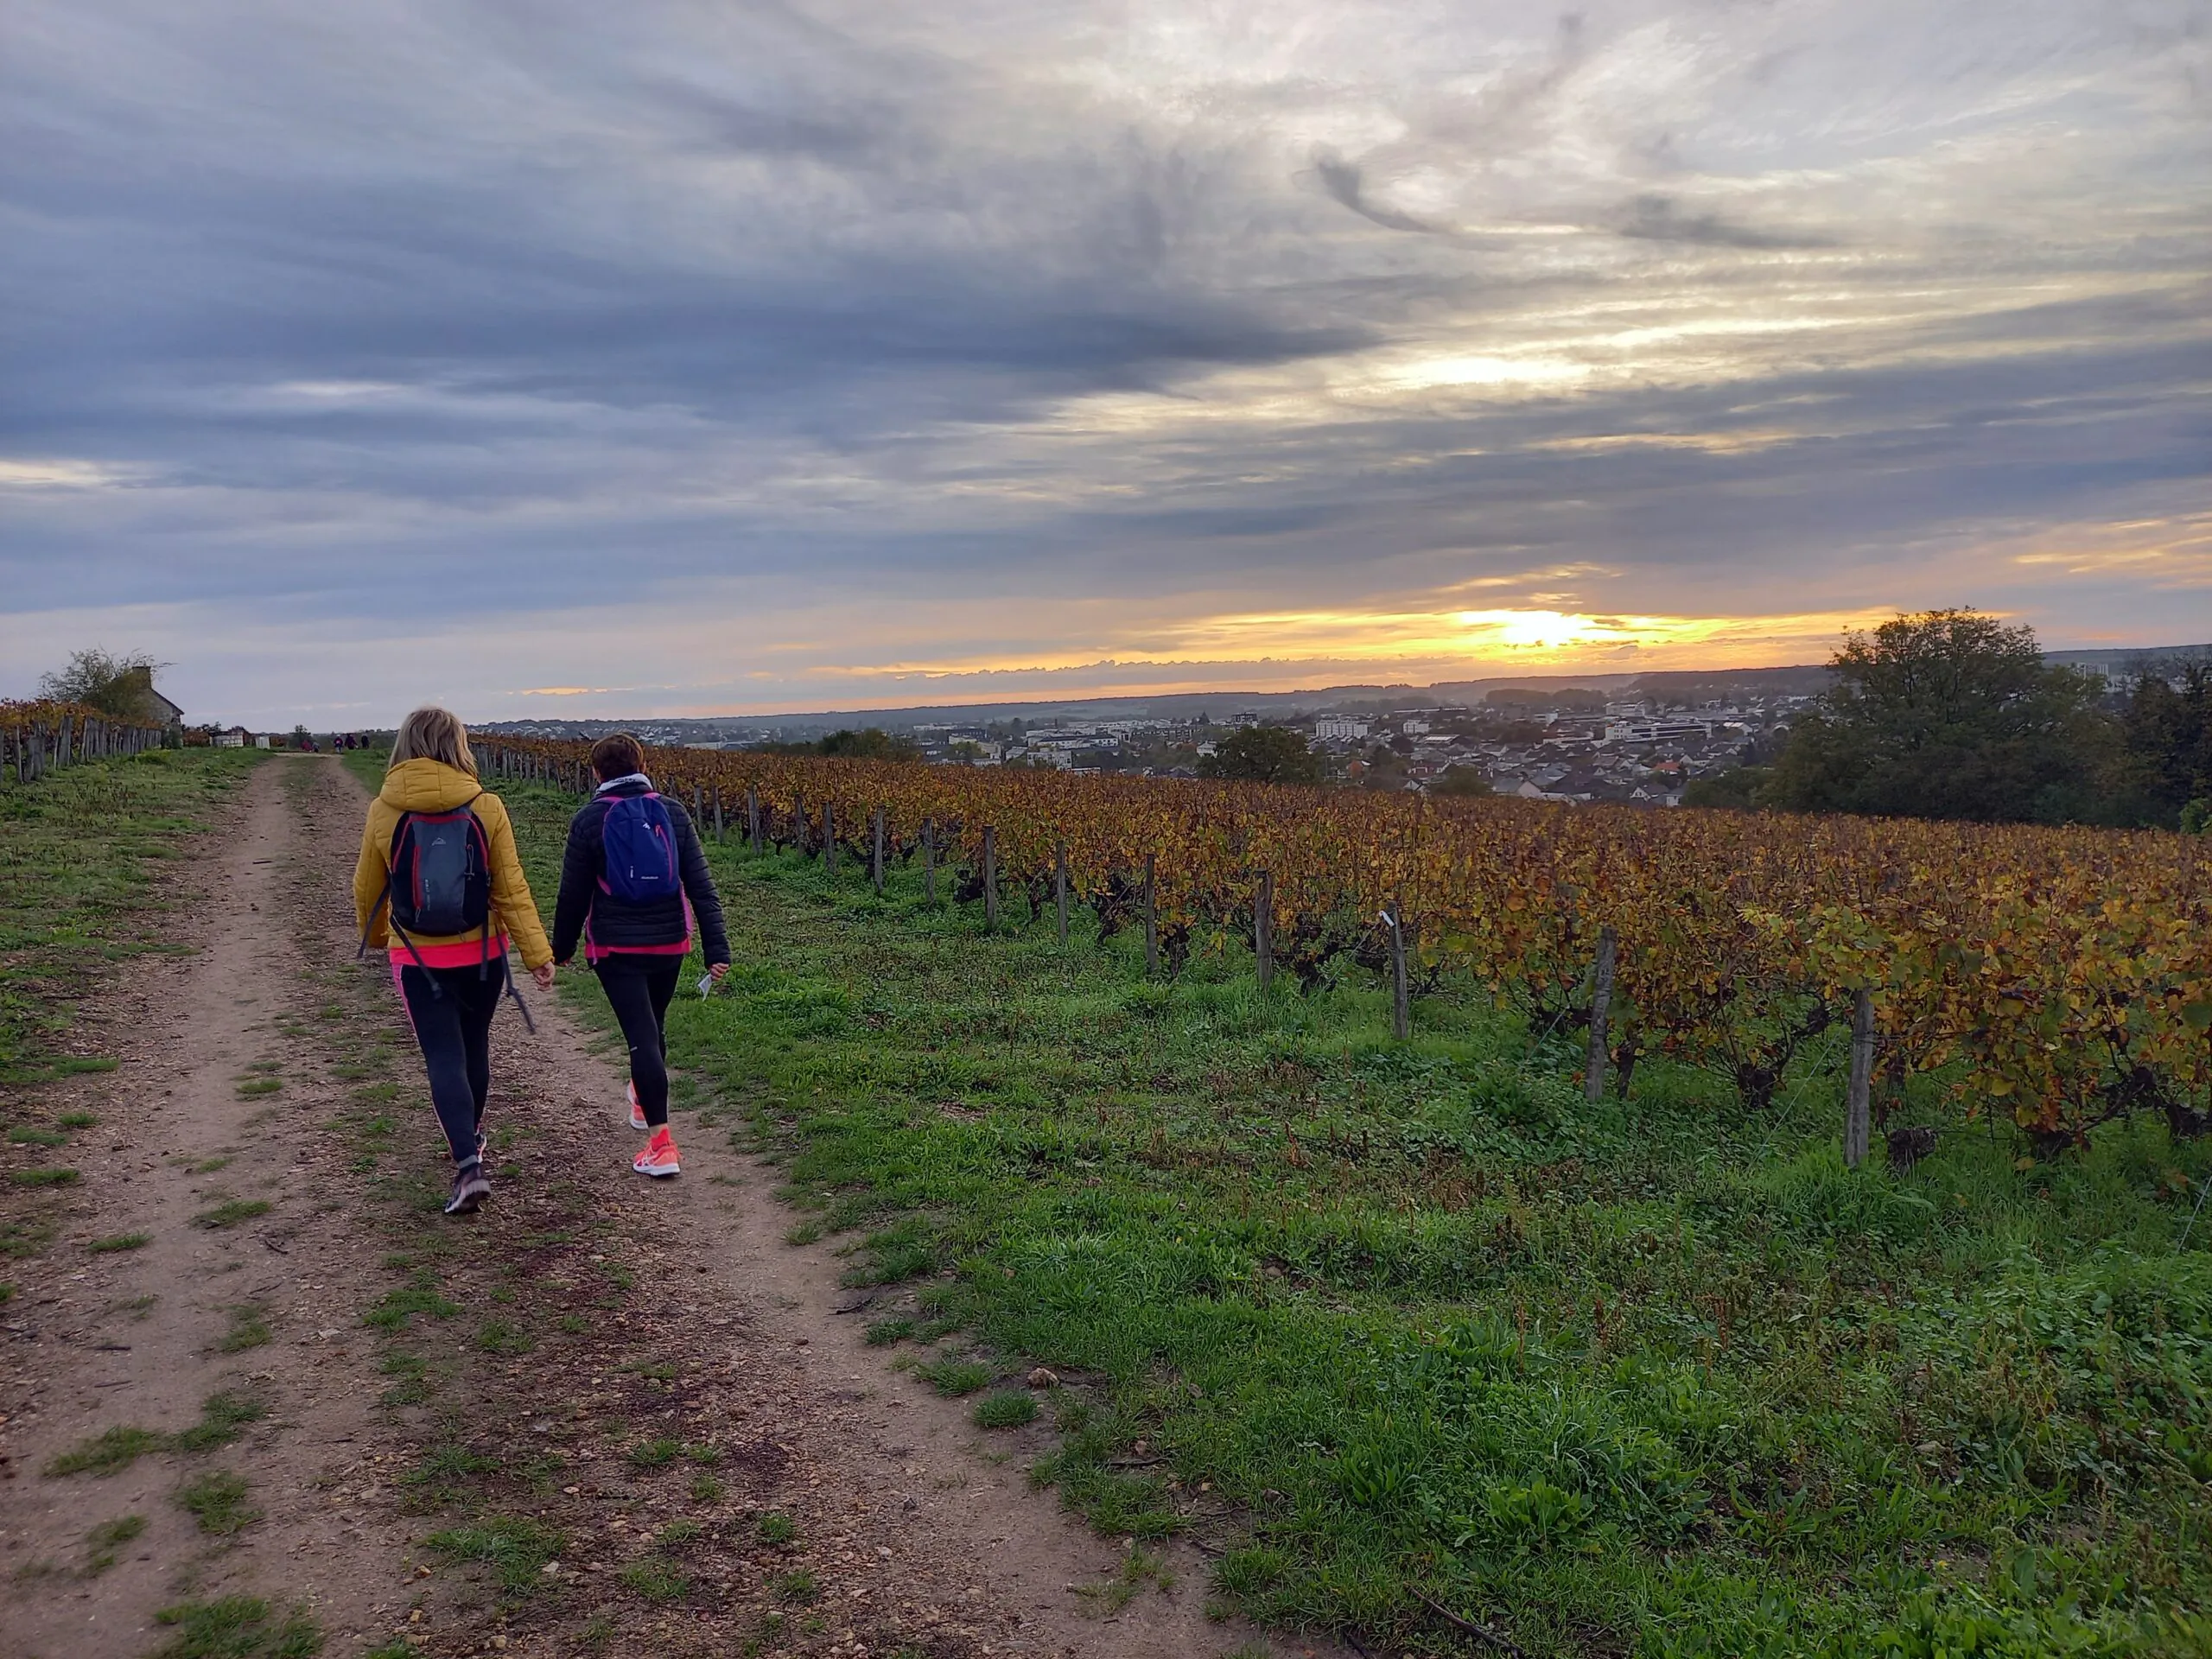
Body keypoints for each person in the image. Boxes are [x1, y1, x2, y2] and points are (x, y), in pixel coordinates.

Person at [353, 706, 555, 1216]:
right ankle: (474, 1136)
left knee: (442, 1054)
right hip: (483, 954)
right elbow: (511, 888)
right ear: (458, 745)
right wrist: (536, 954)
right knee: (473, 1045)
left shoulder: (384, 808)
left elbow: (368, 887)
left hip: (417, 956)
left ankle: (467, 1165)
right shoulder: (486, 805)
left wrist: (376, 936)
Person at [551, 732, 729, 1178]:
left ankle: (662, 1145)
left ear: (597, 772)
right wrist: (716, 949)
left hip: (616, 947)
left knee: (641, 1036)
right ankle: (640, 1092)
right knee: (653, 1026)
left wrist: (562, 948)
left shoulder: (589, 820)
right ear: (642, 762)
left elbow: (572, 894)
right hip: (670, 942)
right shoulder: (672, 812)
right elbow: (701, 886)